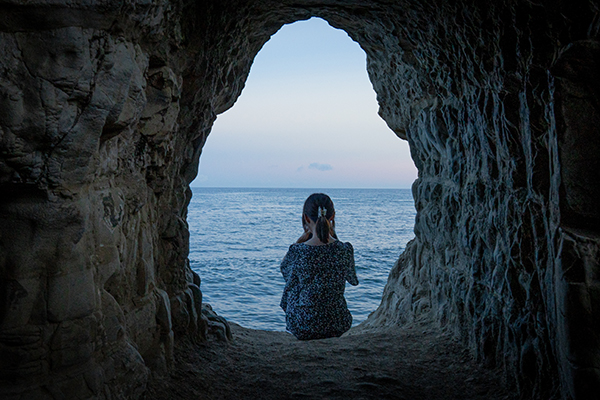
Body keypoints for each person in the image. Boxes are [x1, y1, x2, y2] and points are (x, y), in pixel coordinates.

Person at [279, 193, 359, 340]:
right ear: (333, 216)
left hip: (304, 326)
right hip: (339, 323)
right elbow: (353, 279)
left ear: (306, 218)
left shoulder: (298, 250)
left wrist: (299, 241)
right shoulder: (345, 249)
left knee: (294, 285)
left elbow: (285, 271)